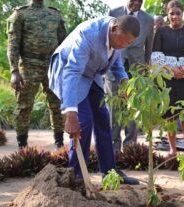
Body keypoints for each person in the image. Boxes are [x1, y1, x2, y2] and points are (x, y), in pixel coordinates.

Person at [48, 15, 140, 185]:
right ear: (114, 29)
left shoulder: (118, 35)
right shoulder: (88, 35)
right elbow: (73, 71)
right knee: (83, 121)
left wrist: (125, 83)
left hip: (91, 74)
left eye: (129, 44)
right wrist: (70, 113)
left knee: (103, 119)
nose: (125, 46)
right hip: (69, 71)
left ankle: (110, 173)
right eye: (124, 42)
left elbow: (117, 65)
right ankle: (75, 176)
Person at [7, 0, 66, 149]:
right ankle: (23, 146)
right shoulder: (20, 14)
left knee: (57, 105)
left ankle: (59, 144)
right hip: (28, 65)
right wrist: (14, 70)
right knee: (24, 106)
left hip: (52, 65)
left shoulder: (55, 14)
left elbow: (63, 43)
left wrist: (64, 67)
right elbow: (13, 44)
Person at [104, 0, 154, 153]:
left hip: (137, 69)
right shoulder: (113, 13)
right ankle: (113, 147)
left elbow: (149, 46)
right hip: (113, 67)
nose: (137, 3)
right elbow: (107, 40)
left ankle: (130, 147)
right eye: (134, 0)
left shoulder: (149, 19)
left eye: (140, 0)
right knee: (114, 106)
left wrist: (146, 69)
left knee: (133, 106)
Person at [152, 0, 184, 155]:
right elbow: (157, 56)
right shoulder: (161, 32)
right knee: (169, 115)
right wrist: (172, 70)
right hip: (168, 77)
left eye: (178, 13)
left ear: (182, 14)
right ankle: (172, 149)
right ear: (167, 14)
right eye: (171, 13)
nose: (175, 16)